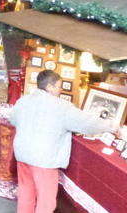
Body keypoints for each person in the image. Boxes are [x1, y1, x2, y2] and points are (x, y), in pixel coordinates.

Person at [8, 69, 119, 213]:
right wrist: (113, 126)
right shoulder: (62, 106)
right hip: (43, 160)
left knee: (25, 194)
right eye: (59, 86)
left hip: (22, 154)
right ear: (49, 86)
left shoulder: (23, 101)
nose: (60, 90)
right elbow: (87, 123)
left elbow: (13, 120)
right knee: (46, 202)